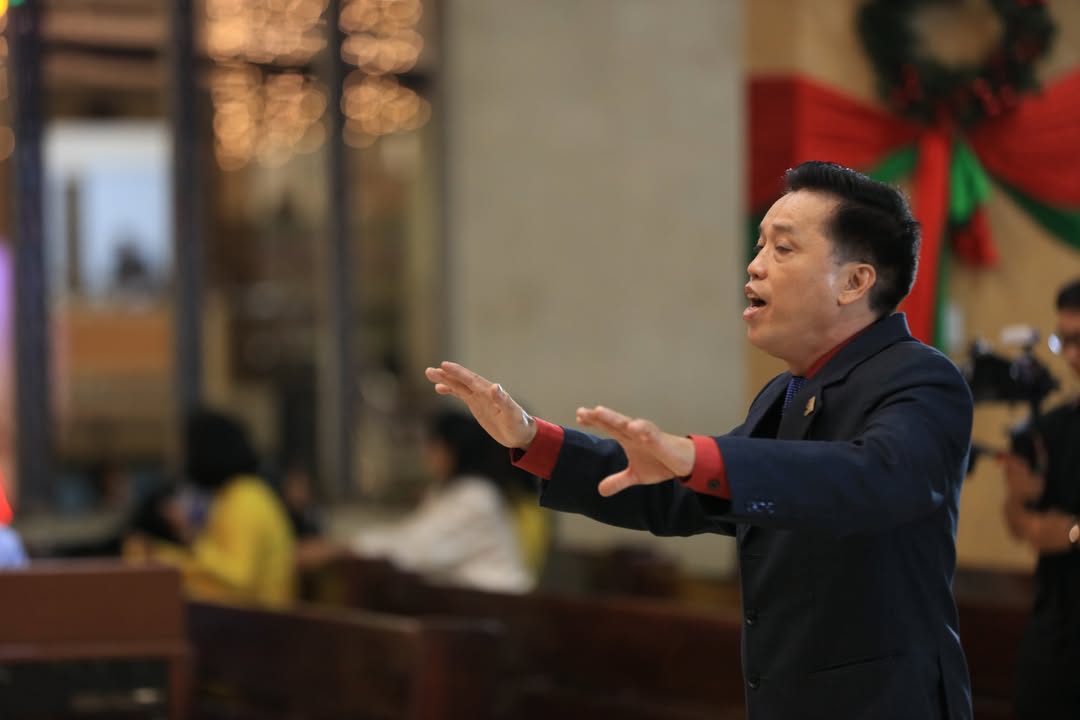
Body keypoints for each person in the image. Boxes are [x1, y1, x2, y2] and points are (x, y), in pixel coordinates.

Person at [426, 161, 974, 719]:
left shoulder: (919, 376)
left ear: (854, 282)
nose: (754, 266)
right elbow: (680, 490)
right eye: (760, 245)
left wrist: (698, 457)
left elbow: (877, 476)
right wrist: (531, 438)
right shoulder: (784, 392)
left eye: (783, 249)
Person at [1001, 277, 1080, 719]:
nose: (1071, 355)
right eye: (1063, 340)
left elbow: (1063, 531)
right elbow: (1020, 524)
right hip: (1055, 626)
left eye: (1079, 340)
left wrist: (1071, 532)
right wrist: (1019, 500)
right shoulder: (1054, 425)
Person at [350, 409, 536, 593]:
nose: (426, 454)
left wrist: (352, 548)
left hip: (499, 603)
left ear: (452, 450)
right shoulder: (445, 491)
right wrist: (355, 545)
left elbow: (418, 551)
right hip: (468, 600)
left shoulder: (476, 495)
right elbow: (409, 535)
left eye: (433, 446)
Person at [126, 408, 296, 608]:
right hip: (247, 618)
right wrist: (161, 556)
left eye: (188, 449)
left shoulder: (244, 499)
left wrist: (166, 558)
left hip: (259, 621)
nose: (182, 458)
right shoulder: (236, 494)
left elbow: (238, 581)